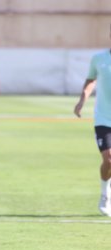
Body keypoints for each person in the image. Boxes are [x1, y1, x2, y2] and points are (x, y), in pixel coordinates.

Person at [74, 30, 111, 216]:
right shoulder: (99, 58)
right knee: (109, 158)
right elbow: (90, 79)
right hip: (104, 118)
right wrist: (82, 100)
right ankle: (105, 194)